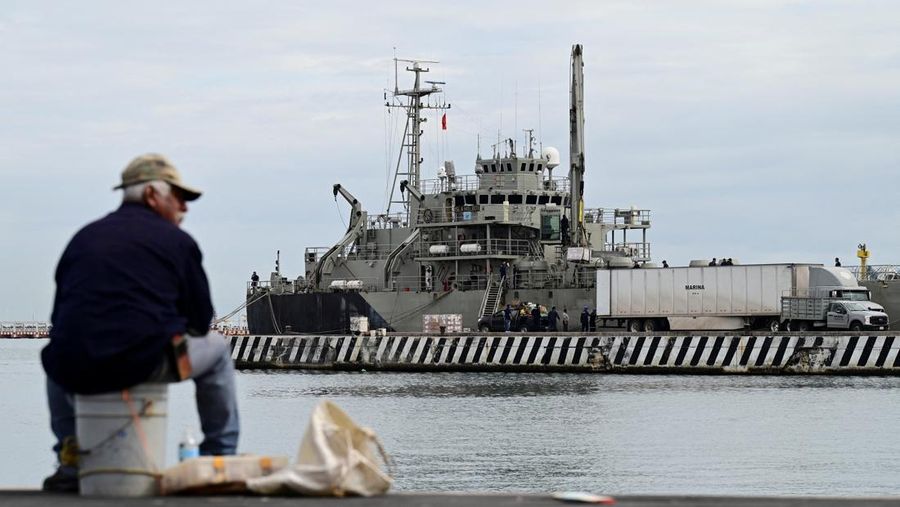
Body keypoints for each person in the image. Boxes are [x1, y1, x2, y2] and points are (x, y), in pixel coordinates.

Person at [40, 154, 240, 493]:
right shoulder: (178, 242)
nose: (185, 209)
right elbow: (201, 322)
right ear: (151, 195)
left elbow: (60, 319)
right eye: (179, 198)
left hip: (78, 367)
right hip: (145, 361)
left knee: (56, 353)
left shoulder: (82, 239)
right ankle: (217, 459)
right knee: (219, 349)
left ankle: (70, 462)